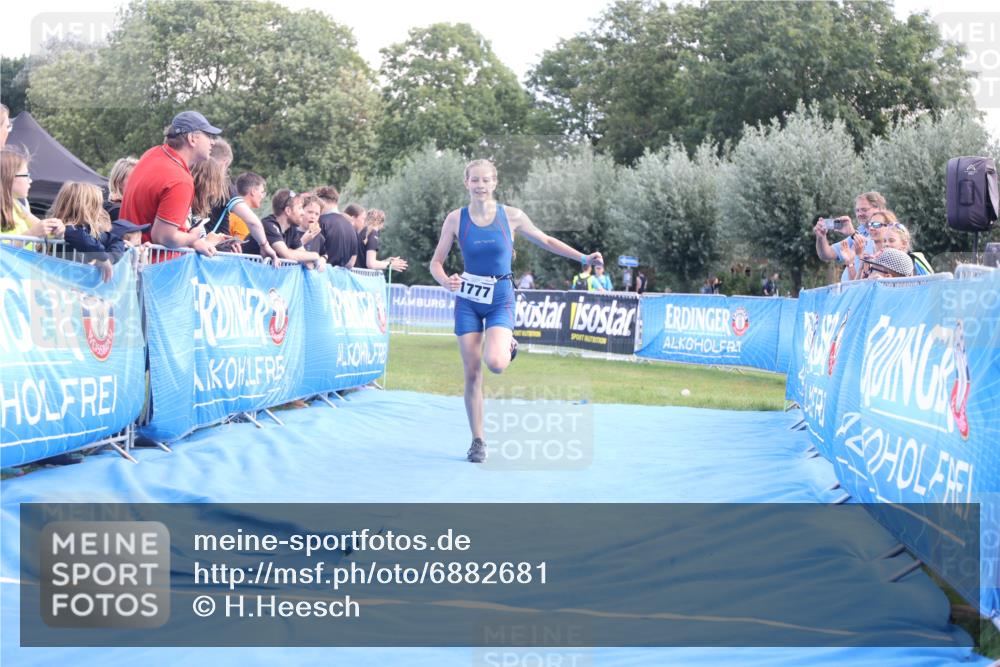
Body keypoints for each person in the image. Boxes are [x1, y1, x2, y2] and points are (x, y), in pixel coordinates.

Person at [429, 159, 602, 463]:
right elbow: (436, 262)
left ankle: (508, 345)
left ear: (495, 182)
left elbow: (546, 240)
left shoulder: (512, 216)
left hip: (500, 296)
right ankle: (478, 441)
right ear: (466, 183)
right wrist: (445, 281)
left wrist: (583, 257)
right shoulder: (455, 219)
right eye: (475, 180)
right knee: (472, 373)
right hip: (468, 298)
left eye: (486, 180)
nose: (480, 185)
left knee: (495, 363)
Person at [121, 110, 276, 261]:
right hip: (158, 269)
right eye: (208, 136)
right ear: (192, 138)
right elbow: (163, 237)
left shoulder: (152, 153)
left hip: (134, 259)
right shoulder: (179, 179)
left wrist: (195, 242)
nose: (213, 142)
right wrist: (193, 237)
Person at [814, 191, 886, 282]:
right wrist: (821, 237)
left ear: (879, 209)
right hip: (850, 291)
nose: (859, 214)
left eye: (864, 210)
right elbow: (826, 254)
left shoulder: (887, 230)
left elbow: (875, 245)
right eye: (857, 210)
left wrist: (853, 233)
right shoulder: (860, 232)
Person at [245, 189, 325, 270]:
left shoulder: (291, 229)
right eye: (300, 208)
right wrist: (315, 255)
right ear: (288, 211)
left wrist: (315, 259)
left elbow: (306, 260)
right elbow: (287, 255)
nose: (303, 213)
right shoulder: (268, 225)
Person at [1, 148, 64, 242]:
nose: (30, 180)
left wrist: (56, 229)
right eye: (26, 175)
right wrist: (32, 233)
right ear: (9, 177)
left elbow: (45, 231)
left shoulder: (17, 205)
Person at [313, 185, 358, 267]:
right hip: (341, 277)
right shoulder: (351, 226)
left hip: (320, 274)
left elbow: (312, 251)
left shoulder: (320, 222)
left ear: (322, 201)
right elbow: (351, 263)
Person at [104, 157, 138, 222]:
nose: (138, 182)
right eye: (133, 178)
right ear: (118, 182)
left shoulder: (131, 207)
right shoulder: (117, 211)